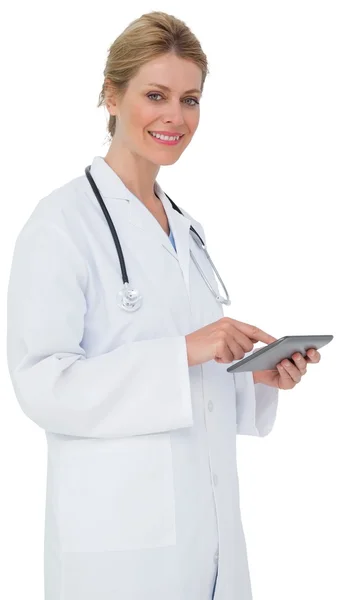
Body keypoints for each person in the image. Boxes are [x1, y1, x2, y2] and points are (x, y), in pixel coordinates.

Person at [6, 10, 321, 600]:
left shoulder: (186, 229)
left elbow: (193, 383)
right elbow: (41, 385)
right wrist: (183, 349)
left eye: (191, 98)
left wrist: (256, 379)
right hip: (119, 546)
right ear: (111, 95)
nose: (176, 117)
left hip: (211, 533)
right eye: (156, 95)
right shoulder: (60, 224)